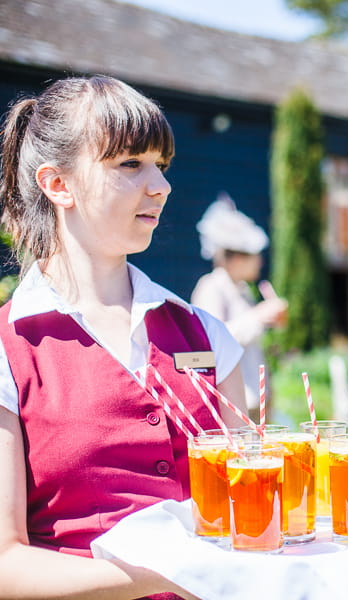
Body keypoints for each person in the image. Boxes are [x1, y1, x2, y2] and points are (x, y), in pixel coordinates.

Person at [0, 75, 249, 598]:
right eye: (130, 164)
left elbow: (251, 507)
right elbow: (5, 564)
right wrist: (170, 571)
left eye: (162, 165)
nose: (161, 185)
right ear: (57, 184)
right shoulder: (7, 347)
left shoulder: (208, 335)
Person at [191, 194, 287, 422]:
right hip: (233, 399)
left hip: (255, 396)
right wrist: (260, 316)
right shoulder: (211, 287)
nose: (260, 262)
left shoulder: (242, 289)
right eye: (254, 256)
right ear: (234, 258)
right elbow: (210, 344)